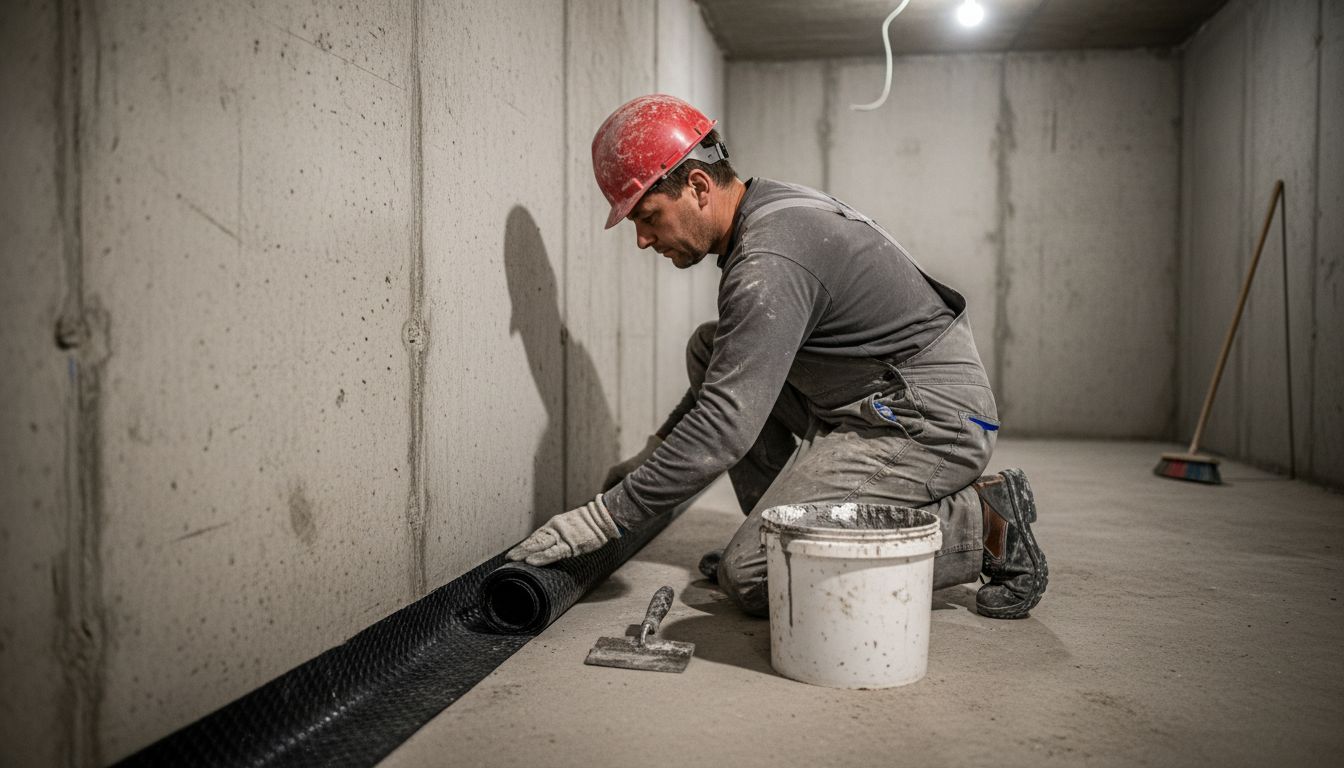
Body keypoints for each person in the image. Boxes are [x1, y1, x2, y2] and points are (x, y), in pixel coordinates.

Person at [506, 94, 1047, 619]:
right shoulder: (767, 211)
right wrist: (654, 452)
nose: (644, 240)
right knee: (709, 346)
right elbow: (729, 376)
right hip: (868, 395)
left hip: (925, 418)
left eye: (648, 217)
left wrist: (603, 519)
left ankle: (986, 525)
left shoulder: (768, 259)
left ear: (697, 185)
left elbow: (724, 425)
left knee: (754, 577)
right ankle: (781, 533)